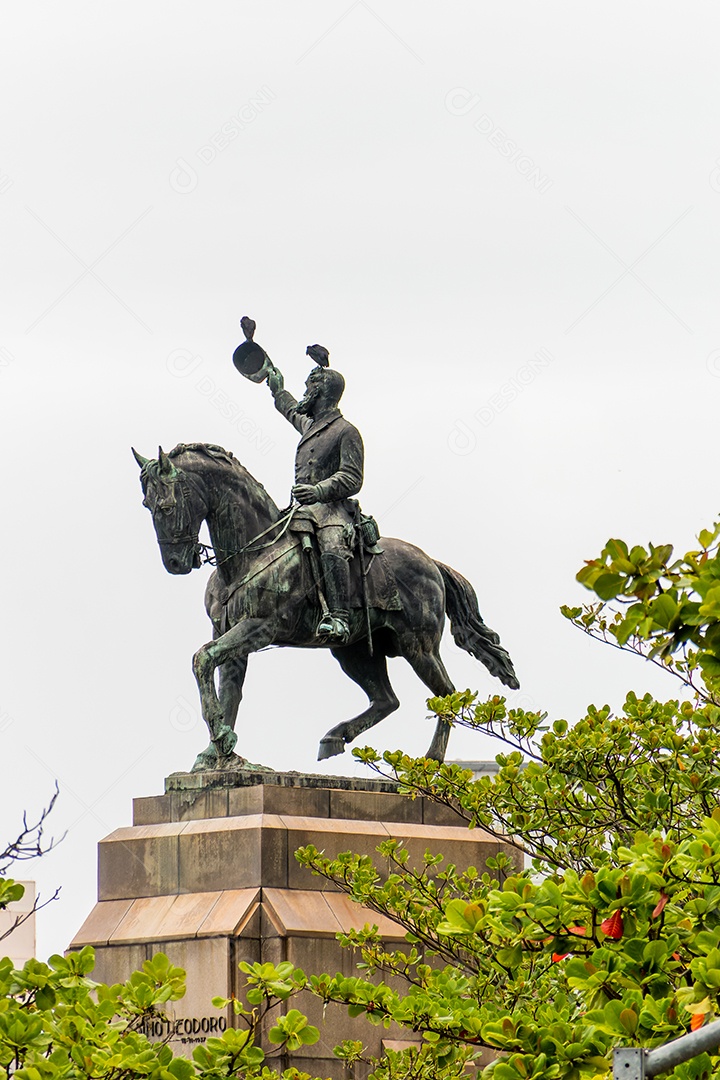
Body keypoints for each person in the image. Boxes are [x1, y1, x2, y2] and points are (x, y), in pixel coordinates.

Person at [266, 359, 363, 645]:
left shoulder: (346, 431)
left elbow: (352, 477)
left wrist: (319, 491)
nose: (304, 392)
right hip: (305, 509)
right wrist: (277, 389)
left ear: (321, 393)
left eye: (309, 387)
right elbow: (291, 410)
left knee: (332, 545)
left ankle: (340, 617)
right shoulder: (312, 426)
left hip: (333, 511)